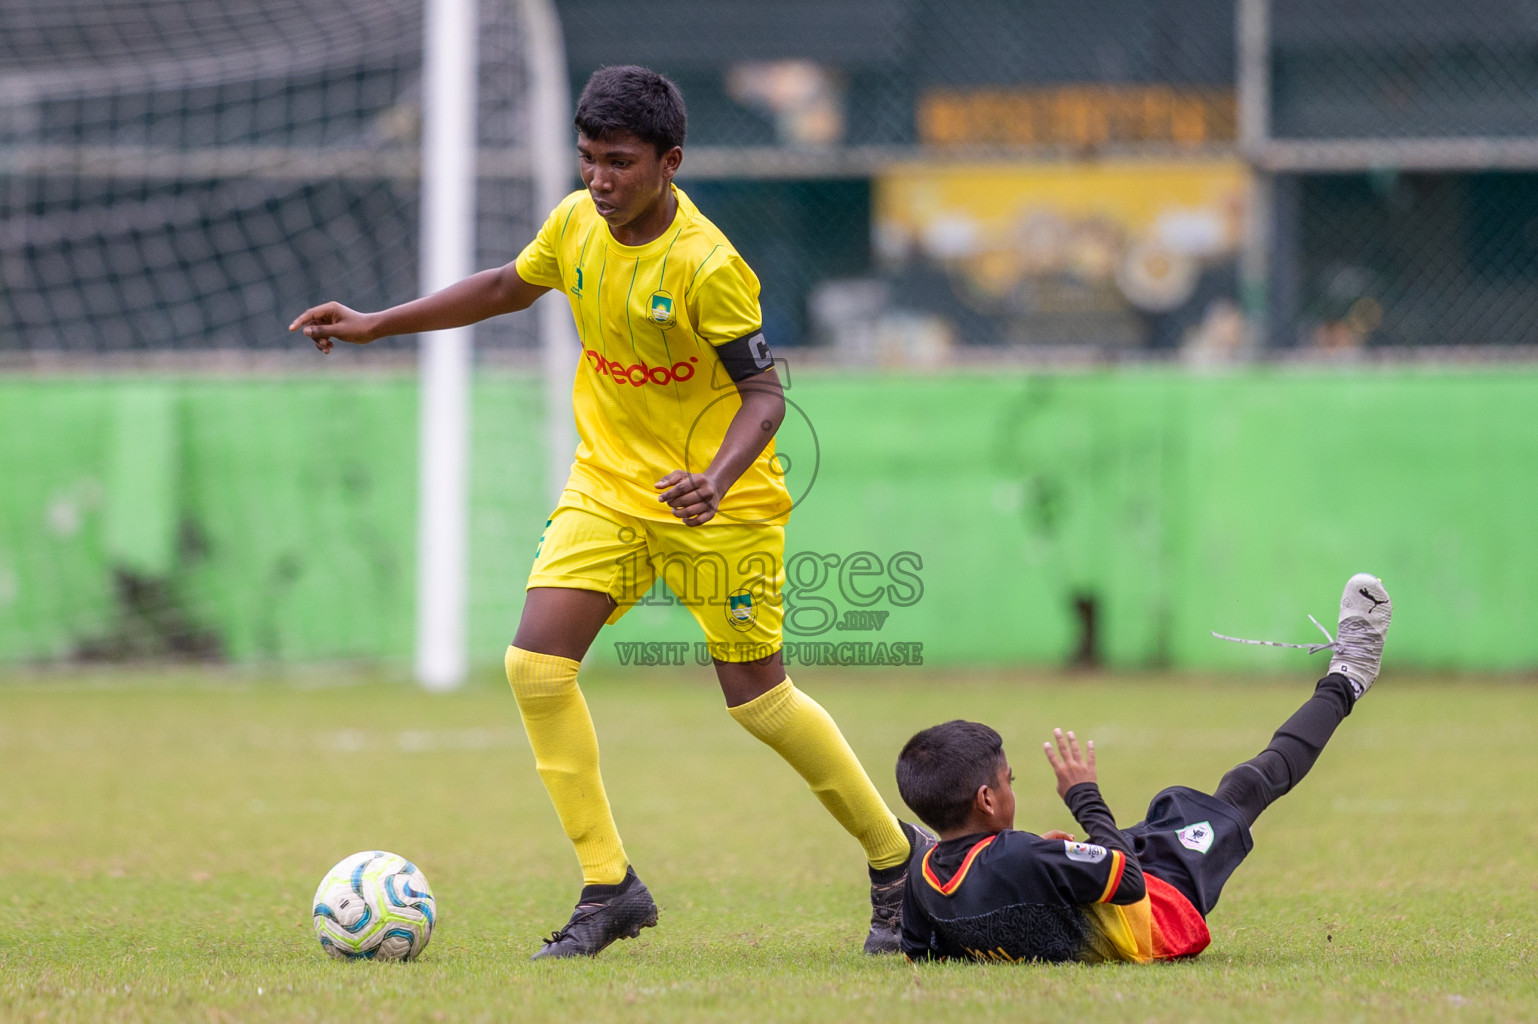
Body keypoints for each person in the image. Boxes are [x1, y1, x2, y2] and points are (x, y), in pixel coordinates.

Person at [289, 65, 928, 959]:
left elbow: (765, 397)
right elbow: (509, 285)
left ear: (670, 162)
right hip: (609, 489)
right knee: (536, 668)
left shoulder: (709, 266)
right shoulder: (575, 223)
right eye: (589, 159)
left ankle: (895, 858)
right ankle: (608, 886)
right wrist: (376, 323)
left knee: (757, 700)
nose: (600, 179)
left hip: (721, 504)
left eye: (620, 162)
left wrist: (712, 476)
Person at [895, 573, 1393, 963]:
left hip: (1090, 893)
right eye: (1009, 783)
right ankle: (1349, 675)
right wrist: (1084, 796)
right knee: (1245, 787)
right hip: (1157, 915)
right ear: (985, 799)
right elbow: (1128, 880)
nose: (1011, 791)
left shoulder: (922, 874)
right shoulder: (1020, 855)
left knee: (1176, 808)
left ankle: (1346, 675)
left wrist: (1052, 864)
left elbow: (919, 947)